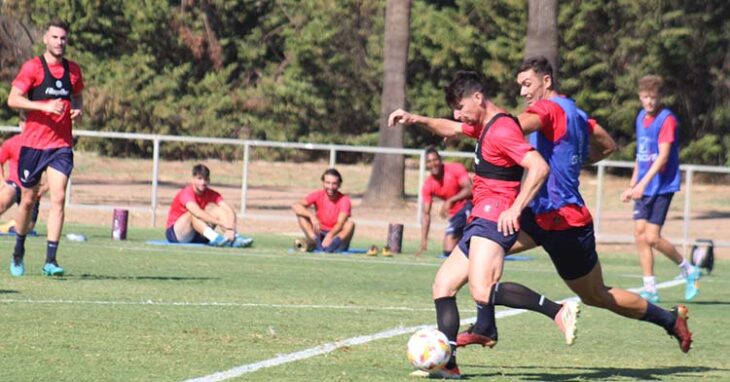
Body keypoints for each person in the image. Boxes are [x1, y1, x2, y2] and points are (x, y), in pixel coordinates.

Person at [455, 57, 691, 356]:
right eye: (520, 86)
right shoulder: (576, 112)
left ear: (547, 81)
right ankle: (483, 327)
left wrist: (475, 124)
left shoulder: (547, 108)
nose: (524, 92)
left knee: (598, 296)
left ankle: (670, 320)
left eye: (528, 84)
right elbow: (606, 145)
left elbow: (510, 126)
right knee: (481, 250)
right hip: (537, 214)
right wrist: (573, 157)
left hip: (566, 222)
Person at [390, 71, 581, 379]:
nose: (457, 112)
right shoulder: (484, 125)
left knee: (482, 290)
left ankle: (558, 311)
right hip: (481, 216)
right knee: (443, 285)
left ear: (477, 98)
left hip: (495, 216)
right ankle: (449, 366)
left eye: (459, 104)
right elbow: (449, 127)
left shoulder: (503, 129)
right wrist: (415, 118)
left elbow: (538, 166)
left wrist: (516, 207)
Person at [7, 19, 84, 277]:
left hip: (61, 145)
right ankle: (18, 250)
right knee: (27, 200)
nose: (59, 42)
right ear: (45, 39)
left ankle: (50, 260)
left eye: (63, 38)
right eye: (54, 37)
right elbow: (12, 98)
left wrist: (77, 109)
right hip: (33, 145)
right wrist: (44, 106)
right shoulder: (32, 68)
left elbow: (78, 95)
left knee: (59, 196)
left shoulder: (73, 70)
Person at [620, 75, 700, 303]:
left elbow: (663, 156)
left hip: (662, 185)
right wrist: (632, 185)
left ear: (660, 97)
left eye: (653, 98)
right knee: (639, 234)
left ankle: (688, 269)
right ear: (640, 97)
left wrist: (643, 185)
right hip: (644, 186)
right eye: (645, 97)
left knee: (652, 237)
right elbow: (641, 155)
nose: (649, 102)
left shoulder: (667, 120)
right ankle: (650, 287)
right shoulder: (640, 118)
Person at [166, 164, 251, 247]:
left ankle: (234, 238)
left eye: (205, 179)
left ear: (209, 180)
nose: (203, 182)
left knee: (219, 211)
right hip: (177, 234)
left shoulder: (212, 194)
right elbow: (198, 213)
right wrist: (220, 223)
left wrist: (230, 228)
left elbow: (229, 210)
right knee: (193, 213)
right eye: (199, 179)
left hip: (198, 232)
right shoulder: (186, 193)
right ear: (192, 180)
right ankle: (215, 238)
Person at [418, 146, 473, 258]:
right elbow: (426, 214)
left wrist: (450, 201)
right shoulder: (428, 185)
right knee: (449, 250)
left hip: (472, 206)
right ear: (426, 164)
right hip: (456, 215)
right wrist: (424, 240)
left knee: (449, 243)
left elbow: (469, 189)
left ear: (440, 160)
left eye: (435, 160)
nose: (433, 164)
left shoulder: (455, 168)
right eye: (429, 161)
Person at [292, 168, 355, 253]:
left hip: (335, 235)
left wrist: (330, 235)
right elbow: (295, 206)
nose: (330, 187)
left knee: (350, 224)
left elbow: (340, 223)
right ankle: (315, 242)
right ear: (323, 183)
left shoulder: (344, 200)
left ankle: (333, 247)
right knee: (301, 216)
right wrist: (312, 217)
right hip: (319, 233)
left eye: (334, 184)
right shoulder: (317, 195)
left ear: (339, 184)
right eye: (327, 183)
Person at [0, 115, 44, 233]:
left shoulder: (42, 145)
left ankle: (10, 226)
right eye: (26, 123)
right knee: (5, 196)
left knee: (25, 229)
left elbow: (52, 169)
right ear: (20, 125)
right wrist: (2, 182)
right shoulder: (11, 143)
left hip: (32, 188)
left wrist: (44, 188)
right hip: (15, 184)